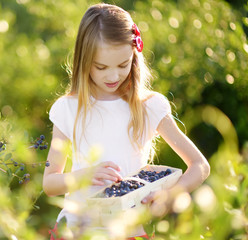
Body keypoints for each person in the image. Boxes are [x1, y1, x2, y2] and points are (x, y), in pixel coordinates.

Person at [43, 3, 210, 239]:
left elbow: (199, 165)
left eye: (123, 65)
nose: (113, 76)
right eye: (101, 67)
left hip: (130, 231)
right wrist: (85, 176)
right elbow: (50, 184)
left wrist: (171, 195)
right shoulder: (68, 108)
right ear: (83, 60)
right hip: (78, 230)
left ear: (134, 56)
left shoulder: (149, 106)